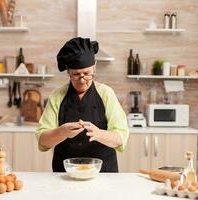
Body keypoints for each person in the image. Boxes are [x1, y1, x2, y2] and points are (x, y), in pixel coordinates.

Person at [36, 37, 129, 172]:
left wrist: (98, 134)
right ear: (68, 72)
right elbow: (43, 141)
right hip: (64, 175)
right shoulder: (57, 96)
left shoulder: (106, 94)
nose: (82, 80)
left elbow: (120, 138)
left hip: (103, 174)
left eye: (87, 73)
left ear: (94, 69)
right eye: (76, 74)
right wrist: (61, 132)